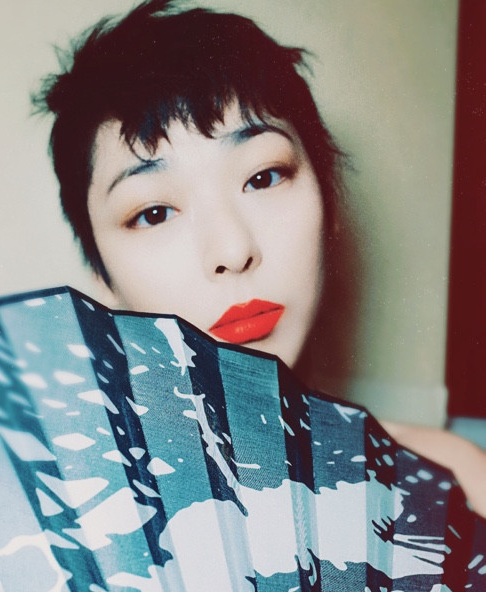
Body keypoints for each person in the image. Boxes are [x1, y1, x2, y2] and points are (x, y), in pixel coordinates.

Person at [34, 0, 486, 515]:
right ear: (101, 276)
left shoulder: (455, 481)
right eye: (155, 213)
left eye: (263, 177)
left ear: (329, 201)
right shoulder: (67, 512)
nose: (233, 251)